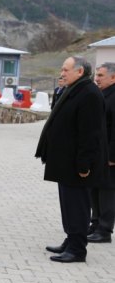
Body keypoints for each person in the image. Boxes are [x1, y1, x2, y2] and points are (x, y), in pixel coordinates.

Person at [36, 56, 108, 263]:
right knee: (68, 205)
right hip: (66, 163)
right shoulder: (75, 89)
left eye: (66, 70)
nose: (62, 73)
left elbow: (90, 134)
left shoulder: (89, 94)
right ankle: (71, 239)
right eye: (62, 69)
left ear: (79, 72)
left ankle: (77, 249)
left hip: (78, 166)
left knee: (77, 206)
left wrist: (84, 164)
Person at [88, 63, 115, 243]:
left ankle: (105, 229)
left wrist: (112, 156)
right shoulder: (102, 94)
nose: (96, 78)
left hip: (109, 156)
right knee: (94, 190)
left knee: (107, 193)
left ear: (113, 77)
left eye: (101, 75)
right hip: (97, 154)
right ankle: (95, 223)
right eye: (96, 75)